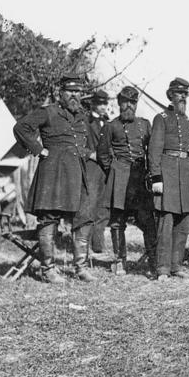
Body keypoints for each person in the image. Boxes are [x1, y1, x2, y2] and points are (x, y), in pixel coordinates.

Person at [12, 75, 90, 284]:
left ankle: (80, 267)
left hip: (76, 174)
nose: (74, 95)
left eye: (78, 92)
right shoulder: (48, 112)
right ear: (61, 93)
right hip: (53, 175)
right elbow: (21, 127)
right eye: (70, 92)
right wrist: (38, 149)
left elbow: (84, 143)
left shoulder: (82, 116)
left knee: (83, 217)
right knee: (49, 220)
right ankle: (48, 269)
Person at [97, 86, 157, 276]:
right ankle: (119, 260)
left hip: (140, 179)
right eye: (125, 102)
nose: (129, 106)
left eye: (132, 102)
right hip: (120, 179)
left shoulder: (145, 124)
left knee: (148, 221)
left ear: (136, 104)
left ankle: (154, 262)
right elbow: (103, 154)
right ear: (119, 103)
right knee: (117, 222)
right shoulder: (110, 126)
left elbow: (153, 150)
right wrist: (115, 171)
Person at [149, 78, 189, 281]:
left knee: (182, 223)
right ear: (170, 95)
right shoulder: (161, 118)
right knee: (166, 223)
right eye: (178, 93)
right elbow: (154, 150)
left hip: (185, 173)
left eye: (185, 94)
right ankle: (162, 269)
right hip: (168, 174)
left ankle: (176, 265)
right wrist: (156, 177)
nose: (182, 97)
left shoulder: (187, 121)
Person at [82, 90, 110, 255]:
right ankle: (83, 247)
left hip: (105, 169)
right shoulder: (85, 121)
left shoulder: (108, 122)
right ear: (92, 104)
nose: (102, 107)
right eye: (99, 103)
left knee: (104, 207)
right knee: (89, 206)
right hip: (91, 168)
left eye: (105, 103)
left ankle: (98, 244)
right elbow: (77, 144)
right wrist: (90, 154)